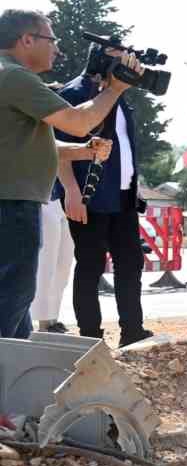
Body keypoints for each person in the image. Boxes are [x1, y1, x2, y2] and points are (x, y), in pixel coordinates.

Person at [0, 9, 137, 339]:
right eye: (51, 39)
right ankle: (9, 383)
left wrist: (82, 150)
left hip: (12, 202)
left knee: (16, 304)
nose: (57, 49)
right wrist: (116, 88)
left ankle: (16, 377)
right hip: (12, 205)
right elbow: (78, 122)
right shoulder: (14, 77)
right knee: (12, 299)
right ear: (27, 40)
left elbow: (30, 144)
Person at [55, 61, 162, 346]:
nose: (129, 64)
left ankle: (132, 331)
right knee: (90, 265)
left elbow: (125, 148)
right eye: (120, 56)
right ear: (103, 58)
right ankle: (90, 338)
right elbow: (57, 147)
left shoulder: (119, 96)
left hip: (123, 196)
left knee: (130, 262)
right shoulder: (75, 93)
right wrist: (71, 191)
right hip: (90, 198)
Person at [34, 132, 114, 333]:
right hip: (41, 195)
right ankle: (42, 321)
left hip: (65, 196)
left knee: (63, 264)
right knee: (46, 262)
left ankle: (53, 317)